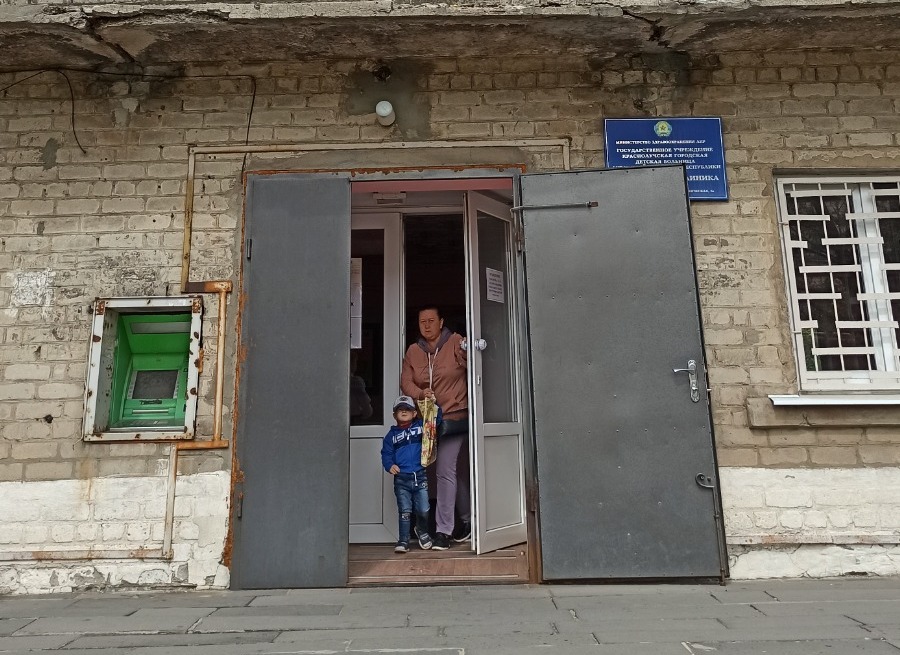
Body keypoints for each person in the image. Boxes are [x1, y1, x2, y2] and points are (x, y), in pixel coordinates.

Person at [401, 306, 471, 551]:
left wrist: (469, 348)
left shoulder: (455, 342)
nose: (427, 325)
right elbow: (405, 382)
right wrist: (421, 393)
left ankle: (443, 531)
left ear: (441, 322)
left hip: (453, 418)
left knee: (444, 470)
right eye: (422, 321)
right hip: (426, 421)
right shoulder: (414, 351)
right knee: (432, 471)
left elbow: (474, 365)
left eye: (432, 320)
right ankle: (465, 520)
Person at [380, 395, 435, 553]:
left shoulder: (421, 427)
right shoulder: (391, 436)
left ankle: (422, 531)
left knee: (424, 509)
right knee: (405, 511)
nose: (404, 411)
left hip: (420, 475)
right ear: (394, 415)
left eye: (407, 409)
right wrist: (389, 465)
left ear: (414, 413)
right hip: (402, 479)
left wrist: (432, 404)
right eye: (400, 410)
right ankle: (403, 540)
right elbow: (386, 454)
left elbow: (435, 422)